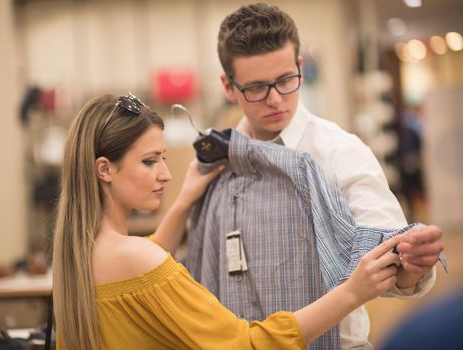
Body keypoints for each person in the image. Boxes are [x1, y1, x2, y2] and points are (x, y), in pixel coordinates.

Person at [52, 93, 403, 350]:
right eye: (149, 162)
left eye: (162, 158)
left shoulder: (78, 258)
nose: (165, 174)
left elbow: (144, 265)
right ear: (104, 169)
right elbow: (248, 345)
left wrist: (184, 202)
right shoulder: (138, 260)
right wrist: (352, 292)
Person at [187, 2, 444, 349]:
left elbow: (390, 259)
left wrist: (411, 262)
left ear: (300, 67)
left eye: (285, 81)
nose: (275, 99)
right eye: (256, 88)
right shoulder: (216, 165)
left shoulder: (340, 153)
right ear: (229, 87)